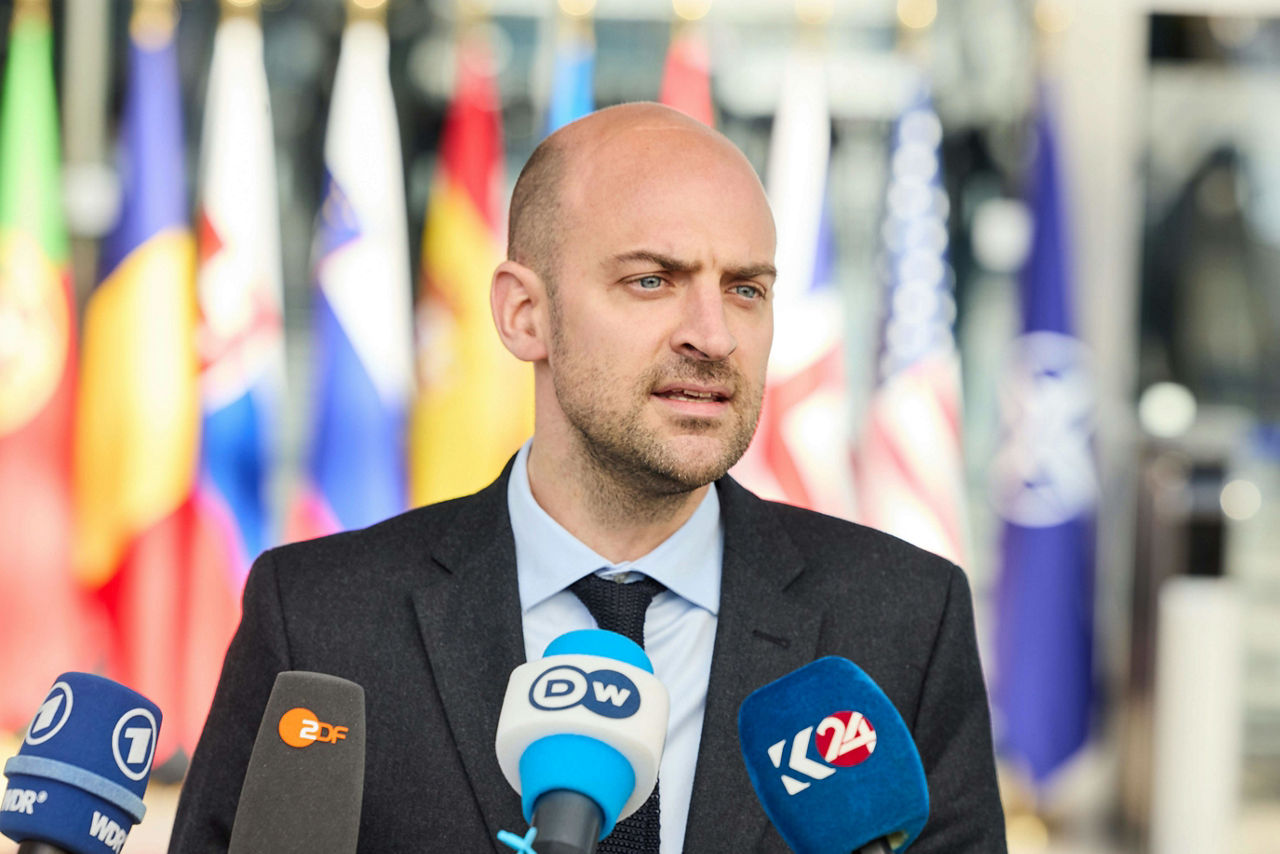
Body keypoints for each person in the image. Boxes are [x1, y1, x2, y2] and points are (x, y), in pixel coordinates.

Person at [170, 103, 1004, 853]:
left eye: (745, 289)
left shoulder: (901, 621)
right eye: (652, 281)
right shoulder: (320, 622)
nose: (714, 336)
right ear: (523, 315)